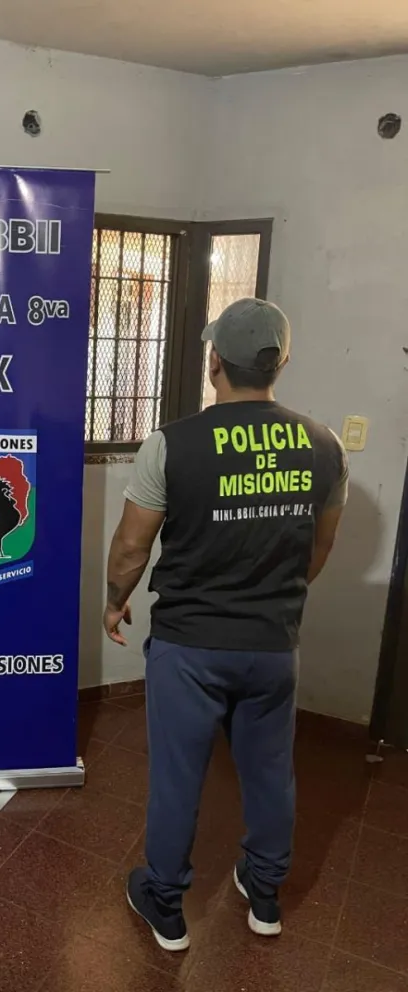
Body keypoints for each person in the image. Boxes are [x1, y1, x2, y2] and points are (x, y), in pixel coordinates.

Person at [104, 299, 348, 952]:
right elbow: (319, 547)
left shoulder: (171, 444)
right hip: (273, 645)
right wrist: (273, 601)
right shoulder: (324, 446)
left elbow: (130, 548)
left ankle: (165, 905)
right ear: (281, 362)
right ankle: (264, 893)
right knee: (270, 773)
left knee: (178, 777)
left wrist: (114, 600)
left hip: (189, 647)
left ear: (215, 362)